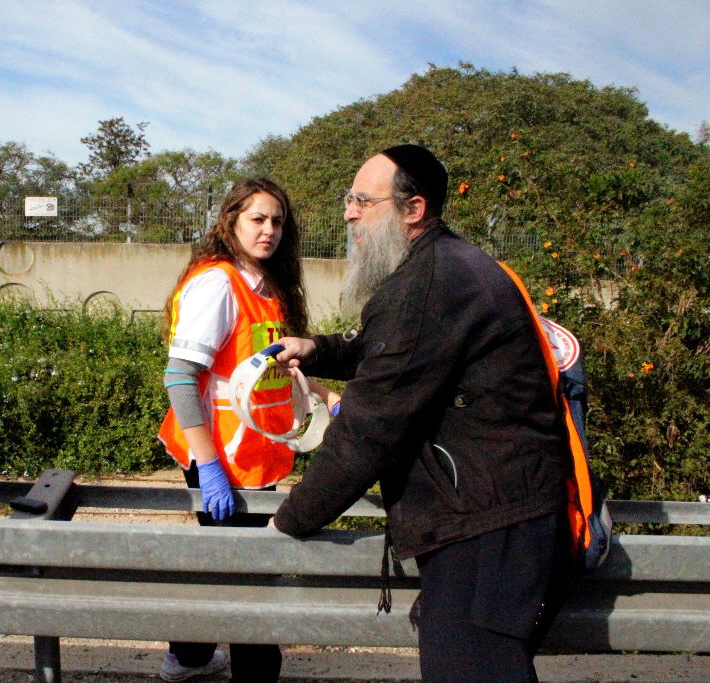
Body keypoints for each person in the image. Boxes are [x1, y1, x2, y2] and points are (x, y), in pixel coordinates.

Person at [267, 145, 572, 682]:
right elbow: (387, 349)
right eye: (348, 199)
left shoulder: (430, 283)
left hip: (486, 528)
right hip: (491, 516)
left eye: (363, 200)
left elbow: (370, 425)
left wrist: (291, 519)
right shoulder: (441, 268)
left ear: (413, 210)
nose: (348, 212)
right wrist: (317, 349)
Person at [157, 177, 339, 682]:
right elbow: (180, 376)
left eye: (278, 221)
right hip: (223, 456)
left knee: (226, 563)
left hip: (253, 455)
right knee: (250, 574)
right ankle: (253, 672)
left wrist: (327, 397)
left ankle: (188, 658)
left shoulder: (264, 287)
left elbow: (272, 370)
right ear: (231, 221)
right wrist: (209, 465)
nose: (270, 230)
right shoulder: (220, 283)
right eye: (258, 219)